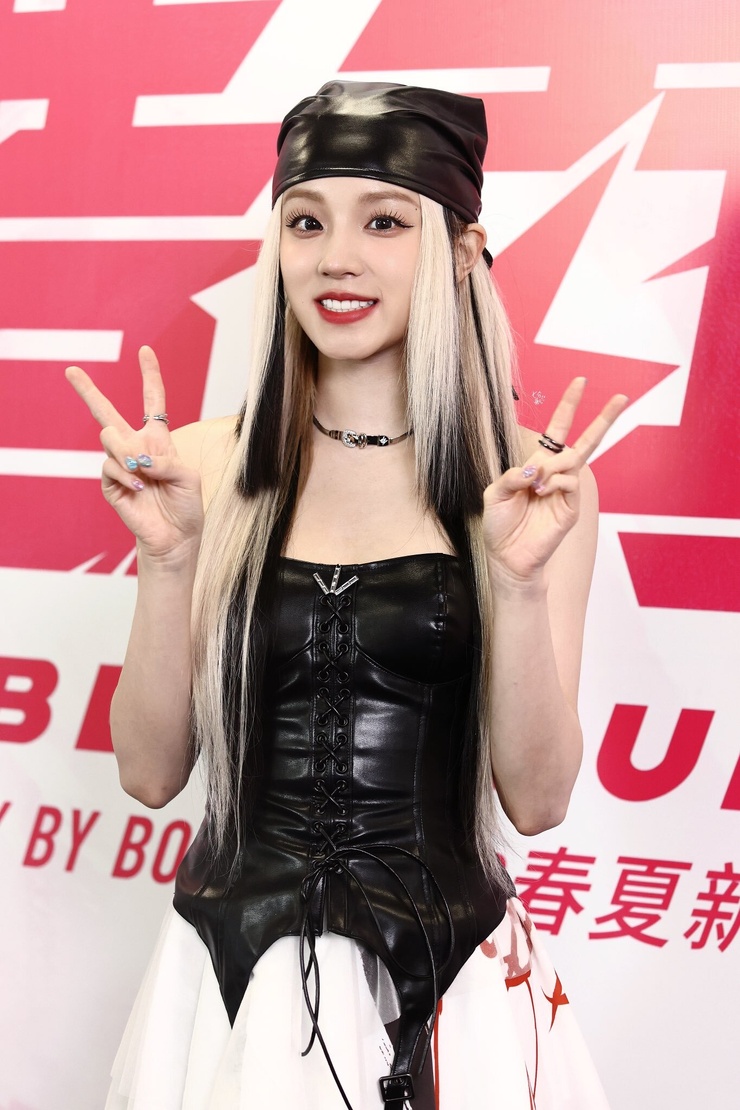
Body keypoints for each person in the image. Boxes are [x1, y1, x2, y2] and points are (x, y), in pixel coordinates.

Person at [67, 81, 627, 1109]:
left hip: (450, 985)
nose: (335, 259)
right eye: (306, 223)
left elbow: (538, 801)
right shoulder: (205, 463)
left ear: (462, 250)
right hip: (231, 986)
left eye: (382, 222)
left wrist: (514, 583)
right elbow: (149, 776)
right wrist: (169, 562)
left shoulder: (529, 484)